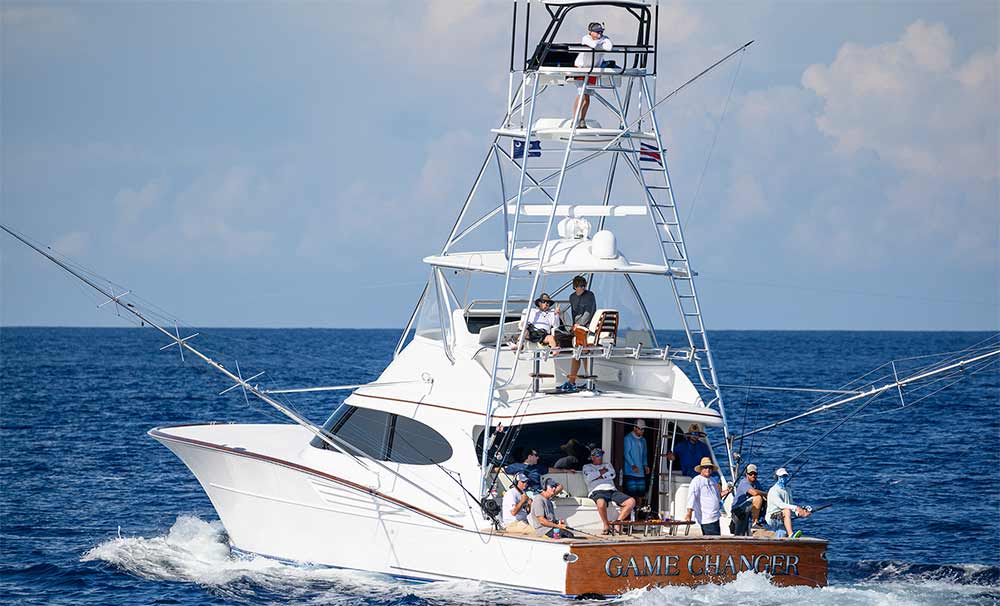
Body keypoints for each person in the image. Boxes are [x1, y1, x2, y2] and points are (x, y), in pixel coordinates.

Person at [582, 448, 635, 533]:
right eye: (598, 455)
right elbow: (588, 478)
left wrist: (597, 476)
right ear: (592, 457)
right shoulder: (586, 467)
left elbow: (612, 474)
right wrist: (602, 472)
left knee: (631, 501)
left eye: (601, 455)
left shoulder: (607, 464)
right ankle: (606, 525)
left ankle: (617, 523)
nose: (600, 457)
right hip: (597, 491)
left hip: (611, 490)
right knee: (601, 503)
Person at [558, 276, 597, 392]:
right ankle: (572, 381)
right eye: (580, 286)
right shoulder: (572, 297)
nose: (582, 288)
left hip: (587, 328)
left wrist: (579, 325)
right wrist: (574, 326)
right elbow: (574, 313)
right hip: (577, 329)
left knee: (582, 353)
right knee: (577, 354)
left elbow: (589, 313)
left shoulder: (590, 295)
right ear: (574, 287)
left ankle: (587, 381)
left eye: (583, 286)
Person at [571, 22, 612, 128]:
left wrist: (601, 40)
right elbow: (593, 45)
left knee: (587, 97)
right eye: (597, 32)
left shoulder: (604, 38)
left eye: (601, 32)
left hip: (593, 70)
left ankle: (582, 120)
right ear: (590, 32)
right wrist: (601, 41)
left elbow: (609, 47)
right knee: (581, 94)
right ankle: (574, 119)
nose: (600, 34)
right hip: (581, 68)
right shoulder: (586, 38)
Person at [684, 457, 730, 536]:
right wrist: (689, 513)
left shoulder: (713, 480)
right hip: (706, 518)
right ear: (701, 469)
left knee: (716, 541)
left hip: (715, 517)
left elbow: (717, 496)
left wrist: (726, 492)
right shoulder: (696, 481)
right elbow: (692, 497)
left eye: (709, 467)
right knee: (713, 542)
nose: (707, 469)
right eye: (705, 467)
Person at [765, 467, 811, 538]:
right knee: (787, 511)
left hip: (783, 517)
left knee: (782, 533)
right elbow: (781, 505)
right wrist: (797, 508)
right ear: (777, 477)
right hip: (772, 517)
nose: (783, 478)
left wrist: (799, 513)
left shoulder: (788, 490)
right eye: (781, 476)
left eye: (785, 476)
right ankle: (791, 535)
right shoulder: (773, 490)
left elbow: (790, 505)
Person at [732, 464, 767, 535]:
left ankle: (764, 520)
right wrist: (766, 494)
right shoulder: (743, 482)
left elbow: (764, 496)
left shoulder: (757, 483)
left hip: (748, 510)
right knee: (758, 497)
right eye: (750, 474)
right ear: (746, 474)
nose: (753, 475)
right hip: (738, 511)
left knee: (765, 499)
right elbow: (754, 493)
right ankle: (755, 523)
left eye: (755, 474)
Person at [622, 420, 650, 506]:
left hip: (641, 472)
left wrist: (645, 465)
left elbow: (644, 454)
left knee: (641, 494)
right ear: (634, 428)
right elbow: (626, 454)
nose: (642, 431)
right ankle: (631, 516)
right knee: (631, 495)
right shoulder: (627, 438)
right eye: (640, 429)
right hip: (630, 472)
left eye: (643, 429)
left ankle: (637, 515)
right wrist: (633, 465)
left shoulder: (643, 440)